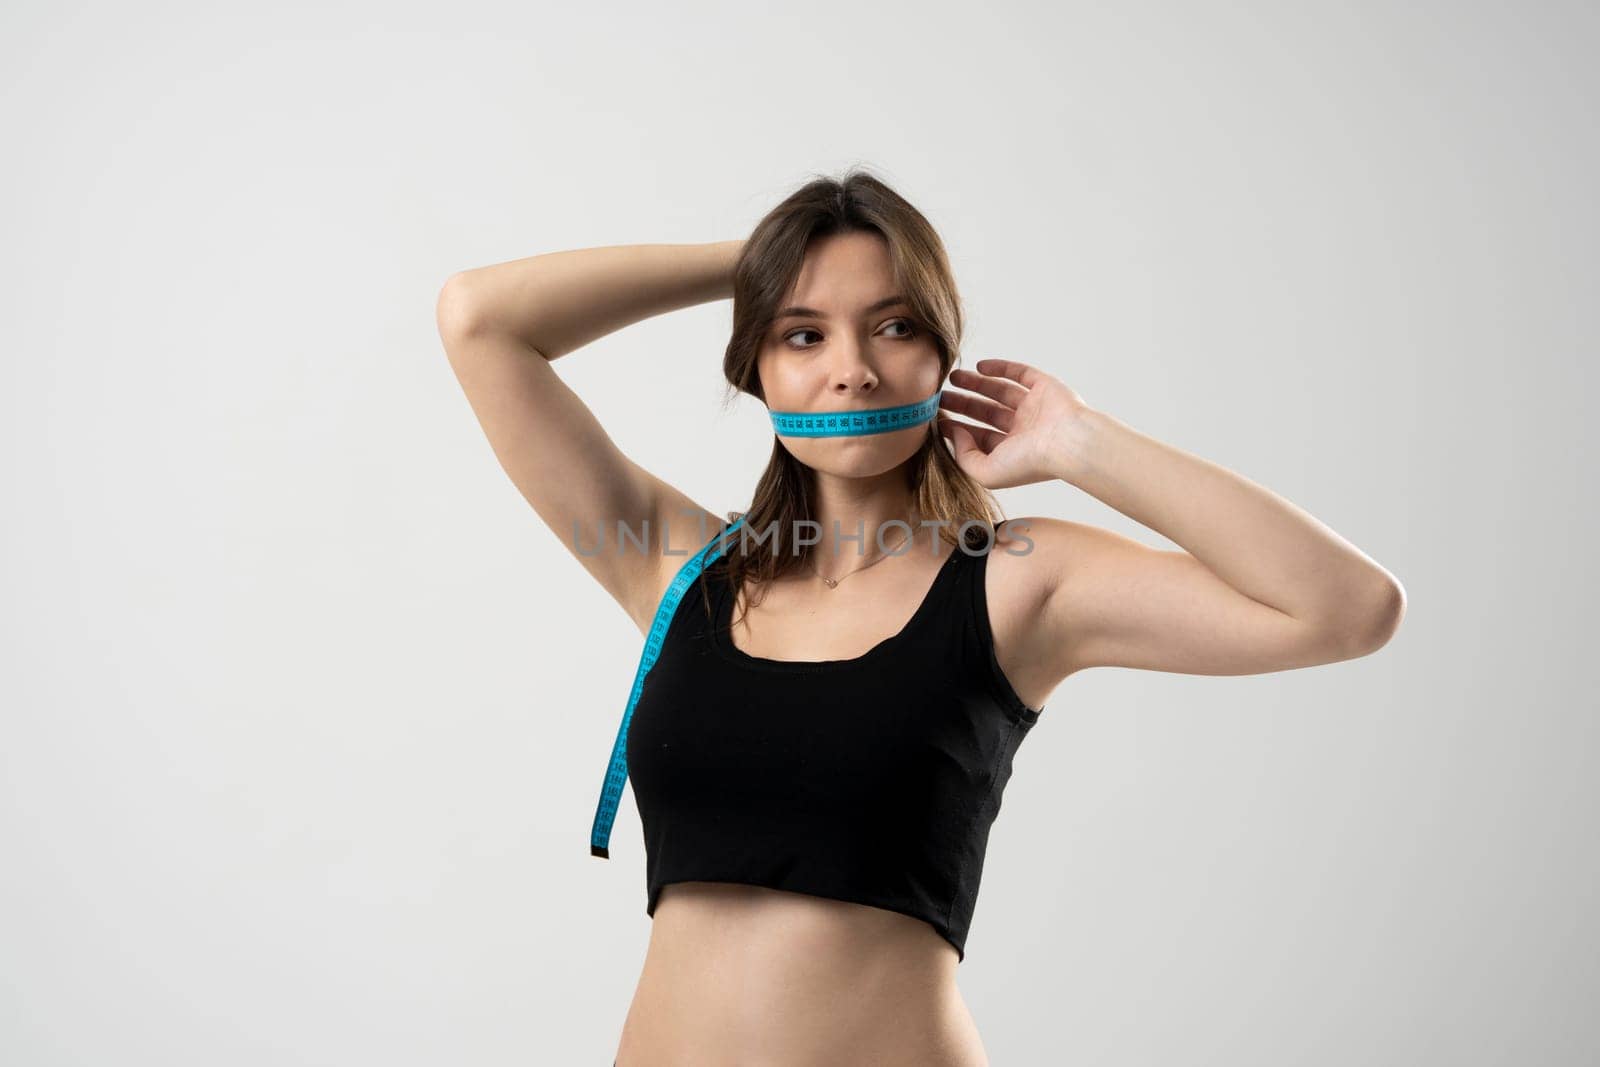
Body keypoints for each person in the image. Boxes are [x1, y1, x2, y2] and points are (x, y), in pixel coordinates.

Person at [434, 168, 1405, 1067]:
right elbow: (478, 319)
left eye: (891, 326)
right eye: (803, 331)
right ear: (756, 367)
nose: (851, 368)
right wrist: (767, 257)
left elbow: (1345, 608)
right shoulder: (678, 566)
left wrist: (1079, 441)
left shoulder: (1018, 581)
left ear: (941, 350)